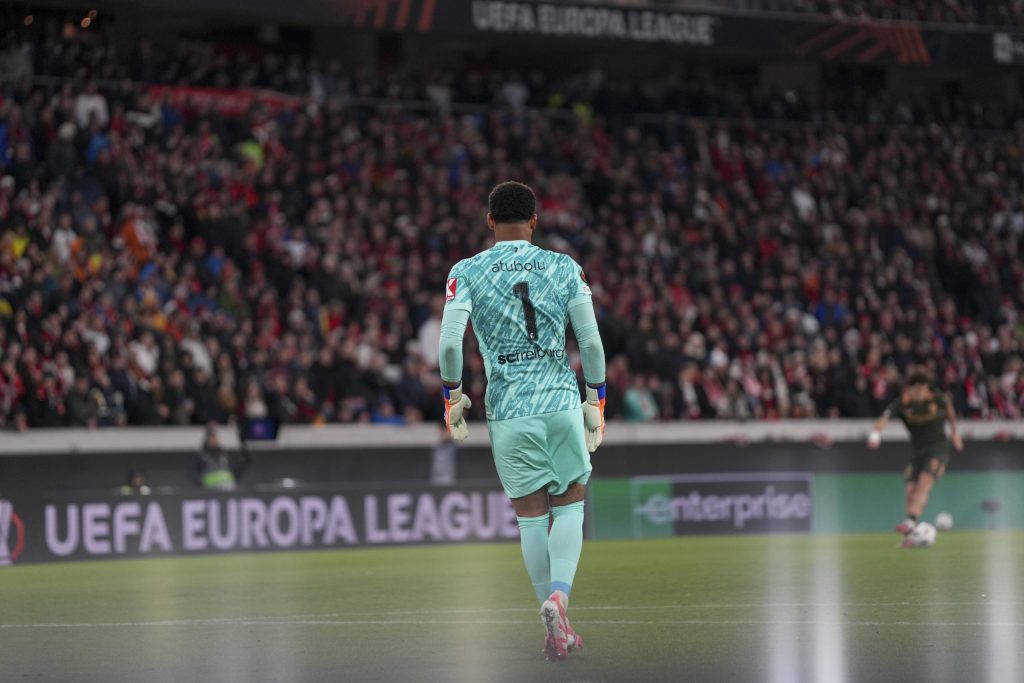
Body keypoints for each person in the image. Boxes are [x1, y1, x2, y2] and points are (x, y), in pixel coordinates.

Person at [437, 181, 606, 662]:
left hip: (509, 410)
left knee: (531, 517)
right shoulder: (564, 266)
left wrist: (453, 397)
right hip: (560, 401)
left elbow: (449, 345)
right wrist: (595, 400)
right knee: (569, 506)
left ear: (490, 221)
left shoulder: (467, 270)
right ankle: (560, 600)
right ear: (535, 220)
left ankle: (554, 628)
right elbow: (591, 343)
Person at [867, 367, 964, 545]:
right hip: (917, 451)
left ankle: (910, 522)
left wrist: (955, 434)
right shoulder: (902, 403)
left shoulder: (937, 399)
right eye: (915, 389)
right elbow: (884, 418)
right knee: (910, 490)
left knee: (924, 483)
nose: (919, 393)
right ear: (909, 388)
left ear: (927, 388)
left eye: (922, 389)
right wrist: (875, 434)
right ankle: (912, 527)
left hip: (938, 448)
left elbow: (950, 413)